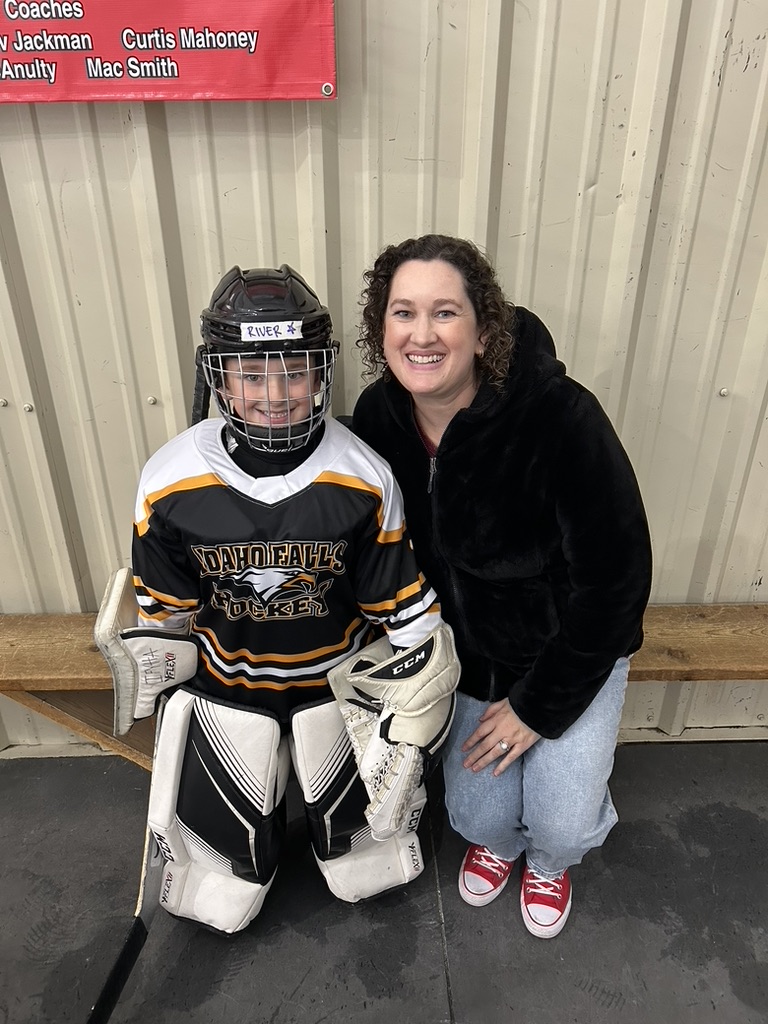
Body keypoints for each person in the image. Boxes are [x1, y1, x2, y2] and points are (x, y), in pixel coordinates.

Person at [107, 264, 458, 933]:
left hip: (335, 696)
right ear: (221, 380)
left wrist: (418, 697)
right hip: (228, 695)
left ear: (320, 373)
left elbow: (403, 608)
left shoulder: (363, 475)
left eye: (293, 370)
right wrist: (153, 674)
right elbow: (168, 619)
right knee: (224, 888)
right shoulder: (168, 480)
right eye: (252, 373)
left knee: (362, 862)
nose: (275, 393)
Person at [352, 234, 652, 939]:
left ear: (484, 331)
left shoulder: (560, 417)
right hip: (466, 663)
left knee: (564, 817)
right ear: (381, 329)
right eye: (402, 313)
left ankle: (549, 857)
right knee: (477, 817)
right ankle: (503, 844)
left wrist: (538, 707)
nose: (421, 335)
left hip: (569, 652)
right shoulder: (377, 420)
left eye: (444, 313)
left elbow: (616, 584)